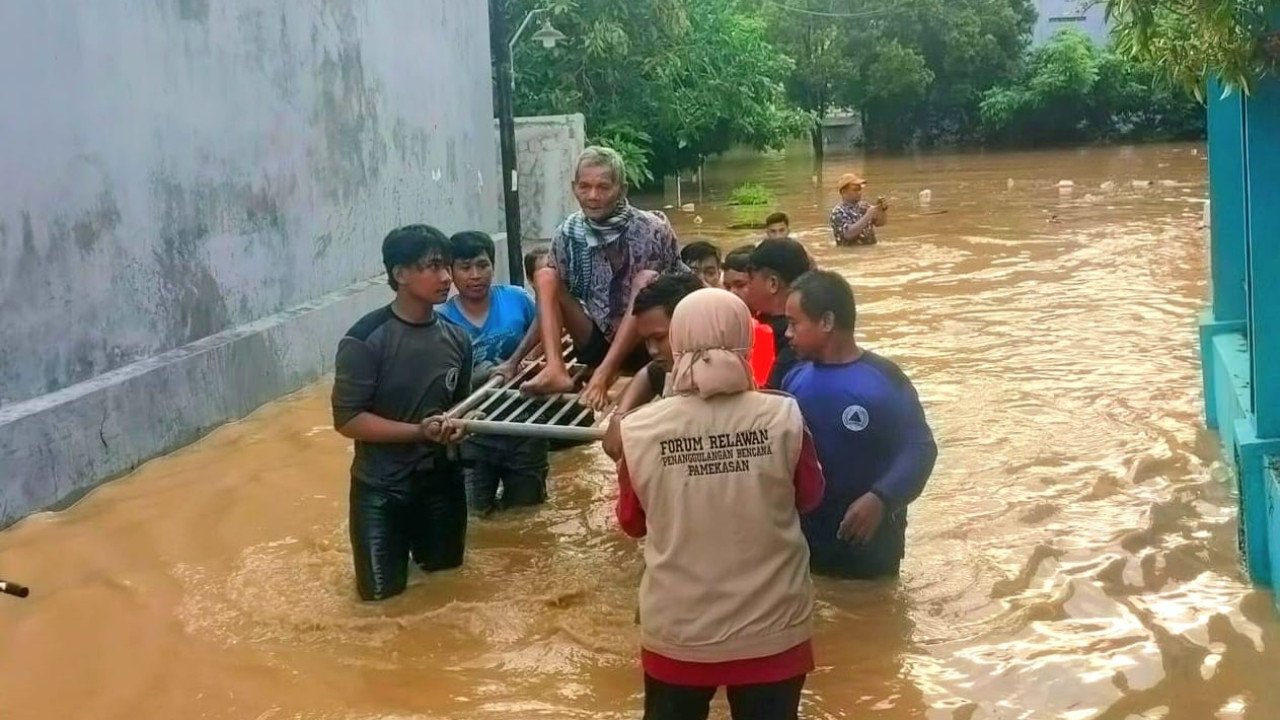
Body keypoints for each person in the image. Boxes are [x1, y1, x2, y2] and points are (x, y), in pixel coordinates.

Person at [614, 288, 826, 720]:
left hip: (678, 632)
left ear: (676, 342)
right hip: (773, 629)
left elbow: (631, 522)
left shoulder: (638, 431)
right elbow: (811, 497)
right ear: (744, 338)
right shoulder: (785, 417)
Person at [331, 225, 472, 601]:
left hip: (441, 485)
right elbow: (347, 420)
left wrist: (459, 429)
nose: (446, 277)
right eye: (433, 266)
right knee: (380, 606)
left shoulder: (457, 338)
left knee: (447, 593)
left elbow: (461, 408)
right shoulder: (364, 339)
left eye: (447, 266)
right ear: (400, 274)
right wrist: (418, 432)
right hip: (381, 491)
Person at [503, 146, 686, 410]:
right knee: (546, 276)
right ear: (573, 187)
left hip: (648, 344)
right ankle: (555, 369)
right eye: (585, 187)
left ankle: (602, 375)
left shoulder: (652, 230)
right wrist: (514, 359)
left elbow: (678, 298)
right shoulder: (567, 234)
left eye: (603, 187)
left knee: (646, 281)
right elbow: (549, 305)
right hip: (595, 339)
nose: (593, 196)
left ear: (621, 189)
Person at [781, 270, 936, 579]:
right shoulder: (793, 380)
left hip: (873, 542)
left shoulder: (884, 380)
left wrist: (882, 498)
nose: (786, 333)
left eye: (794, 323)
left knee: (875, 614)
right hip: (809, 541)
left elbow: (920, 449)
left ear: (826, 322)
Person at [441, 231, 549, 516]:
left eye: (482, 265)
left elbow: (548, 330)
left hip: (527, 423)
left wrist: (535, 359)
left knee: (527, 516)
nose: (475, 275)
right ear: (450, 272)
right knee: (476, 519)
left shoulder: (516, 299)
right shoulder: (441, 320)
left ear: (493, 264)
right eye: (465, 268)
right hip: (474, 434)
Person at [601, 272, 706, 461]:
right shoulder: (675, 364)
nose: (652, 350)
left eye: (658, 338)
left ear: (692, 325)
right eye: (646, 341)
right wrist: (619, 417)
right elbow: (650, 374)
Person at [744, 238, 812, 388]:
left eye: (751, 279)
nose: (747, 287)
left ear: (773, 284)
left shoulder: (790, 341)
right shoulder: (810, 329)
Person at [830, 173, 888, 246]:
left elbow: (880, 223)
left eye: (860, 189)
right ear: (843, 192)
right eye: (855, 190)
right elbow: (848, 234)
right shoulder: (838, 211)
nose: (859, 193)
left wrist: (881, 210)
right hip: (850, 254)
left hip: (869, 251)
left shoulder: (864, 206)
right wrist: (868, 215)